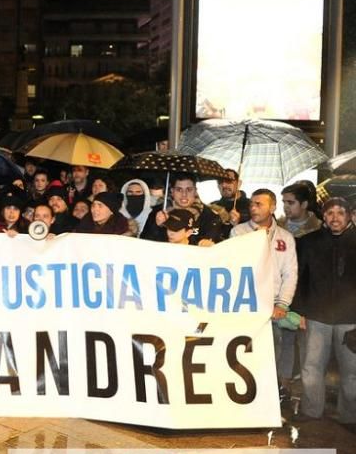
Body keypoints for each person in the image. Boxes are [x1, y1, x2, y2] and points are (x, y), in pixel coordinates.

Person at [293, 197, 356, 424]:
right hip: (317, 315)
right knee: (311, 367)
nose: (335, 218)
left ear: (349, 215)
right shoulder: (309, 242)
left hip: (351, 319)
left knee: (352, 373)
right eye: (330, 213)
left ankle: (350, 417)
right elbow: (300, 279)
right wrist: (299, 311)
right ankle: (311, 411)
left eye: (341, 212)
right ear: (324, 216)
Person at [230, 189, 297, 399]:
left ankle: (270, 395)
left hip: (273, 305)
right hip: (247, 304)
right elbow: (232, 267)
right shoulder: (239, 232)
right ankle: (247, 394)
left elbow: (290, 273)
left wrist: (282, 304)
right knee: (245, 351)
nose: (253, 208)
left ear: (273, 206)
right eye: (251, 204)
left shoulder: (285, 237)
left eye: (259, 204)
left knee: (274, 350)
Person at [140, 174, 224, 246]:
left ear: (195, 191)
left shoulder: (210, 217)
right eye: (179, 190)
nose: (184, 194)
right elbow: (143, 244)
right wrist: (157, 226)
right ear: (172, 191)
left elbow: (217, 247)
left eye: (189, 190)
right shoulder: (159, 212)